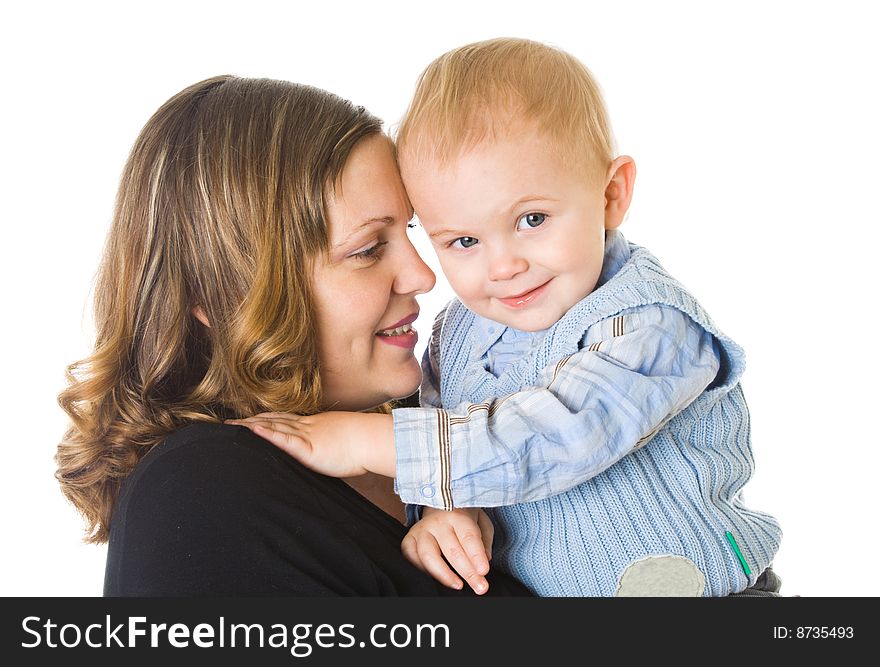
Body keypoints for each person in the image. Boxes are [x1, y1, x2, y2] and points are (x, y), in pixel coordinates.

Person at [231, 38, 784, 597]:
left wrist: (360, 441)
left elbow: (555, 436)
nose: (504, 265)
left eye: (532, 219)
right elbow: (451, 430)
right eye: (464, 239)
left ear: (612, 195)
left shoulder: (651, 326)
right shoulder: (457, 336)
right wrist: (446, 509)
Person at [55, 74, 533, 597]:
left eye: (410, 231)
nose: (423, 276)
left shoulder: (451, 436)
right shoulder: (200, 492)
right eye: (368, 249)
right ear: (222, 293)